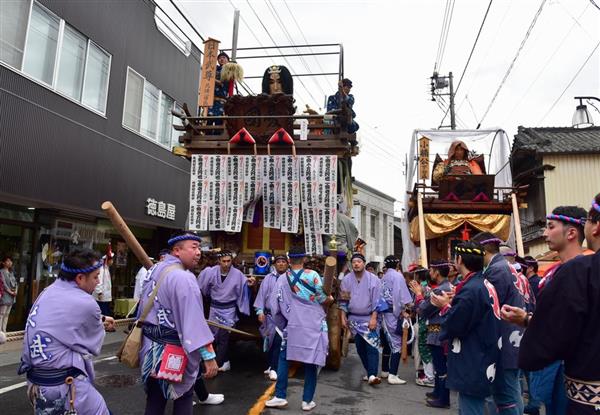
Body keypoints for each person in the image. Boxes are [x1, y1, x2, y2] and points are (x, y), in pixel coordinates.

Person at [507, 198, 600, 415]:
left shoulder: (579, 271)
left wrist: (532, 345)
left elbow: (559, 327)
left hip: (583, 382)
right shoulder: (570, 271)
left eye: (550, 227)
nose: (545, 234)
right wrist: (528, 319)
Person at [18, 248, 115, 414]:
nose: (98, 282)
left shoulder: (48, 291)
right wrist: (101, 323)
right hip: (64, 384)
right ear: (80, 278)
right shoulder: (87, 302)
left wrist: (101, 320)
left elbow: (61, 321)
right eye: (96, 276)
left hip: (37, 382)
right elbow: (91, 345)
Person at [138, 231, 218, 415]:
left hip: (149, 348)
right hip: (171, 353)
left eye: (199, 247)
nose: (198, 252)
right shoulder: (184, 278)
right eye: (194, 247)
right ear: (176, 250)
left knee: (155, 399)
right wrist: (208, 356)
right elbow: (194, 322)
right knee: (183, 397)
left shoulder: (154, 269)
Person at [432, 242, 502, 414]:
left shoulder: (471, 289)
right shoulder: (482, 284)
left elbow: (456, 323)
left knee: (471, 407)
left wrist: (445, 306)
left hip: (474, 356)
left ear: (459, 259)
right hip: (485, 352)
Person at [265, 247, 333, 411]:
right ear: (304, 260)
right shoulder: (313, 275)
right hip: (314, 324)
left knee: (284, 358)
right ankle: (307, 401)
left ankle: (280, 396)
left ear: (289, 261)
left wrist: (283, 321)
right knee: (311, 361)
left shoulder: (282, 279)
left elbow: (273, 306)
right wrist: (329, 298)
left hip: (294, 324)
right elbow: (323, 298)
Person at [472, 232, 526, 415]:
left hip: (506, 338)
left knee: (505, 395)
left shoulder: (497, 270)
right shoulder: (506, 266)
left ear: (484, 251)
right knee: (512, 391)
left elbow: (488, 306)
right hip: (514, 335)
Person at [198, 250, 255, 372]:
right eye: (223, 261)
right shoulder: (210, 272)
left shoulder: (238, 274)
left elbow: (244, 288)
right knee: (214, 337)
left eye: (229, 261)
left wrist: (249, 285)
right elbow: (203, 288)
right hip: (214, 308)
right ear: (219, 261)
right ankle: (225, 361)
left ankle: (218, 363)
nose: (226, 264)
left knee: (224, 337)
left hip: (229, 310)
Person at [411, 260, 454, 408]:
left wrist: (418, 294)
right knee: (438, 365)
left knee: (441, 367)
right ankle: (437, 392)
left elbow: (423, 309)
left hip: (438, 332)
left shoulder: (439, 290)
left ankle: (443, 399)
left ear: (436, 272)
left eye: (431, 270)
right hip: (440, 330)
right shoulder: (447, 287)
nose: (429, 273)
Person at [339, 253, 382, 385]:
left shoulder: (374, 280)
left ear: (364, 263)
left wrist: (374, 318)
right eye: (354, 262)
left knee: (372, 347)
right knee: (360, 348)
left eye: (359, 261)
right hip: (354, 319)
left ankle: (372, 375)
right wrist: (342, 316)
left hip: (369, 317)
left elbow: (378, 301)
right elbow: (343, 301)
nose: (356, 264)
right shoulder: (347, 279)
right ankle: (369, 372)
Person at [254, 254, 288, 381]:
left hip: (283, 316)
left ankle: (274, 368)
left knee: (279, 342)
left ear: (287, 264)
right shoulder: (268, 278)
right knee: (268, 342)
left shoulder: (290, 278)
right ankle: (270, 365)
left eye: (283, 262)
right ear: (274, 264)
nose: (281, 264)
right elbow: (261, 296)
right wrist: (260, 311)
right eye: (278, 262)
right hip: (269, 316)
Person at [379, 255, 412, 385]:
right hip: (392, 313)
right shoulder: (397, 276)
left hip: (383, 313)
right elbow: (400, 296)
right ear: (397, 264)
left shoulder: (384, 277)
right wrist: (403, 309)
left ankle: (385, 370)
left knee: (387, 343)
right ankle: (393, 374)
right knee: (397, 343)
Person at [93, 251, 114, 318]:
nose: (112, 261)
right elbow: (99, 282)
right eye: (111, 259)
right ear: (108, 260)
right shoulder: (102, 269)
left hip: (106, 296)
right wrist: (99, 292)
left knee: (106, 313)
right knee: (103, 314)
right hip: (101, 296)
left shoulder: (106, 268)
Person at [0, 254, 18, 333]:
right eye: (7, 261)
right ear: (3, 263)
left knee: (7, 315)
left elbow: (16, 283)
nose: (10, 262)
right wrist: (11, 292)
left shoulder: (11, 272)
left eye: (10, 261)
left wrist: (16, 291)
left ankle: (4, 331)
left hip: (11, 296)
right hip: (5, 296)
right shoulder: (1, 272)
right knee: (1, 314)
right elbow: (3, 284)